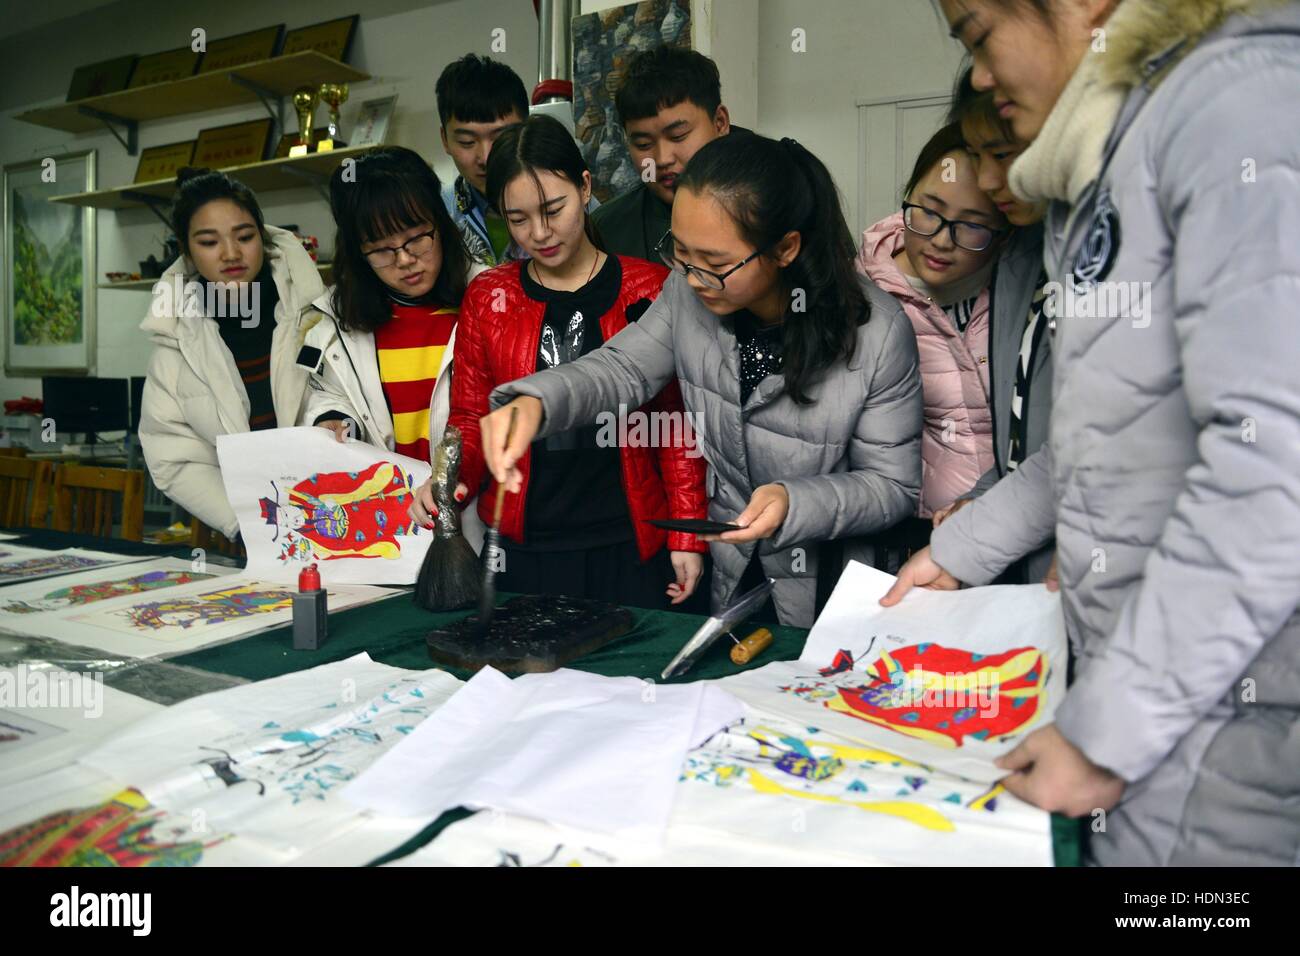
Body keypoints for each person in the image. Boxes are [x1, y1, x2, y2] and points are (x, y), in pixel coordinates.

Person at [886, 0, 1300, 866]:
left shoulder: (1236, 109)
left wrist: (1108, 731)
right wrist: (962, 547)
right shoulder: (1112, 154)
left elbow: (1273, 470)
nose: (982, 77)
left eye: (977, 36)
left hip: (1228, 730)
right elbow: (1099, 437)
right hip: (1162, 708)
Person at [479, 131, 923, 628]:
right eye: (680, 253)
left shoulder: (877, 331)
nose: (690, 278)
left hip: (831, 582)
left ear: (785, 248)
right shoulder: (689, 293)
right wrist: (536, 402)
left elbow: (892, 486)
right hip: (734, 567)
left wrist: (794, 500)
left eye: (713, 264)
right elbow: (622, 368)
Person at [415, 114, 708, 609]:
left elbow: (676, 424)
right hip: (523, 547)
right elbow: (471, 416)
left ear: (585, 186)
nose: (540, 233)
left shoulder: (648, 288)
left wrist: (688, 533)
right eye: (518, 218)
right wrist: (447, 480)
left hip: (629, 537)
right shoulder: (490, 296)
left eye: (555, 208)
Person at [139, 168, 324, 538]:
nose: (231, 253)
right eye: (209, 242)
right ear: (186, 250)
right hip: (255, 534)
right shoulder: (175, 340)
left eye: (245, 236)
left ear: (264, 236)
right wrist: (252, 523)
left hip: (343, 511)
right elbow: (172, 457)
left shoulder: (318, 313)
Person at [932, 69, 1055, 586]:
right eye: (977, 155)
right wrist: (981, 499)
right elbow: (1023, 442)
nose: (985, 180)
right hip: (1026, 558)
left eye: (1002, 155)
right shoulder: (1019, 255)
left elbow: (1092, 452)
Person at [857, 123, 1008, 533]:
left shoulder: (1022, 286)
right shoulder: (862, 297)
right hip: (922, 530)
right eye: (928, 210)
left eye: (972, 224)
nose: (942, 241)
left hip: (1021, 519)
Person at [300, 147, 485, 467]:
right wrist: (332, 418)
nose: (405, 260)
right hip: (389, 508)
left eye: (416, 239)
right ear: (359, 252)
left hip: (474, 507)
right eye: (382, 250)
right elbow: (327, 393)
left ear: (440, 224)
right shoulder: (336, 322)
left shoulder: (488, 299)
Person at [591, 46, 739, 260]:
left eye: (678, 136)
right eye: (643, 144)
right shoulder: (606, 230)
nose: (662, 159)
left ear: (720, 122)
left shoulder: (773, 202)